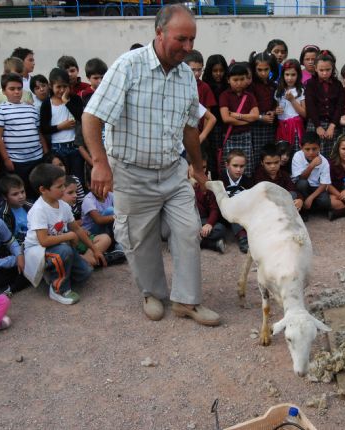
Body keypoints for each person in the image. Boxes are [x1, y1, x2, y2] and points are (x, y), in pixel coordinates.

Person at [83, 4, 220, 326]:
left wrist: (198, 167)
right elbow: (92, 116)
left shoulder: (186, 75)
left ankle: (186, 301)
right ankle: (152, 293)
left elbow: (190, 127)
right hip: (131, 173)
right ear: (159, 33)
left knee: (188, 231)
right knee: (139, 238)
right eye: (181, 39)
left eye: (192, 40)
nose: (188, 48)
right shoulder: (128, 66)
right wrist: (100, 163)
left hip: (173, 171)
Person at [23, 164, 99, 305]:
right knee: (63, 251)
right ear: (43, 190)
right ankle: (58, 289)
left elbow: (77, 229)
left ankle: (55, 273)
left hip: (56, 246)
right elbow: (44, 241)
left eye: (63, 185)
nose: (64, 189)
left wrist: (95, 250)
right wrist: (69, 236)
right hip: (38, 251)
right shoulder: (39, 210)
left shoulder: (63, 205)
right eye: (59, 187)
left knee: (86, 272)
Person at [0, 73, 48, 199]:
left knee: (39, 190)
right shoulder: (1, 110)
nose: (16, 92)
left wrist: (45, 152)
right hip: (17, 161)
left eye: (19, 88)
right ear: (4, 91)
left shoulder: (31, 109)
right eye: (12, 89)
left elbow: (38, 132)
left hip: (37, 158)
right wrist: (6, 159)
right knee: (21, 193)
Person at [39, 68, 86, 185]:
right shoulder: (47, 104)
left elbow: (81, 117)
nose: (61, 90)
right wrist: (60, 127)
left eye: (64, 87)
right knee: (60, 179)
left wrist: (66, 101)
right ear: (51, 86)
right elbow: (44, 128)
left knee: (77, 178)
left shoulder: (74, 99)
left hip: (75, 146)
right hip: (57, 148)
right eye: (58, 87)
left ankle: (78, 200)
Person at [219, 62, 259, 177]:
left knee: (246, 168)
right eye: (235, 80)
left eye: (242, 79)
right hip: (230, 136)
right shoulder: (224, 95)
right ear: (228, 80)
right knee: (230, 168)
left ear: (247, 79)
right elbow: (226, 118)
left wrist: (238, 116)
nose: (239, 83)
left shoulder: (250, 96)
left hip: (245, 136)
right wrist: (247, 119)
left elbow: (255, 116)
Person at [305, 51, 344, 158]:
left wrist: (332, 125)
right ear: (316, 69)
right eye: (321, 70)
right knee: (314, 154)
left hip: (333, 124)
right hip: (315, 123)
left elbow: (339, 106)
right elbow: (310, 105)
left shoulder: (338, 84)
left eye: (328, 70)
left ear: (332, 69)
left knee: (332, 155)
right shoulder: (310, 84)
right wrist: (318, 126)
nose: (325, 73)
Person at [190, 153, 225, 253]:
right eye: (197, 167)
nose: (200, 171)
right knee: (170, 231)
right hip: (187, 221)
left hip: (203, 220)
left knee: (220, 229)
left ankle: (186, 242)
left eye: (204, 167)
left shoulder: (209, 184)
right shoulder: (182, 183)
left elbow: (214, 209)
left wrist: (209, 224)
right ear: (188, 166)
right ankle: (211, 245)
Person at [291, 132, 331, 218]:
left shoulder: (324, 161)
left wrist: (311, 198)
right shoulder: (297, 156)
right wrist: (312, 165)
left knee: (325, 201)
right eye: (307, 149)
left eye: (314, 149)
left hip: (316, 188)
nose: (311, 152)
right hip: (302, 187)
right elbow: (301, 177)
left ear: (319, 148)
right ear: (301, 148)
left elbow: (324, 184)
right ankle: (304, 210)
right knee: (302, 183)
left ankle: (311, 207)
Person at [248, 51, 277, 165]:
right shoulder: (251, 86)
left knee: (270, 156)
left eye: (266, 69)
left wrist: (274, 112)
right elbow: (248, 107)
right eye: (259, 70)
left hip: (271, 125)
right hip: (255, 126)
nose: (263, 73)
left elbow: (277, 103)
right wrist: (261, 117)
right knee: (257, 156)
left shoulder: (273, 85)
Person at [220, 149, 252, 253]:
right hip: (223, 215)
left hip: (243, 214)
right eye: (235, 166)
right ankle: (243, 238)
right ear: (227, 165)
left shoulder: (248, 182)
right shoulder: (220, 180)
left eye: (242, 166)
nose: (239, 169)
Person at [254, 143, 302, 211]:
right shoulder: (258, 175)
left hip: (281, 203)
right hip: (265, 206)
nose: (273, 166)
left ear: (280, 160)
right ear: (262, 163)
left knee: (293, 194)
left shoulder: (284, 174)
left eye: (276, 162)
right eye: (268, 163)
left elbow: (293, 189)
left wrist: (300, 200)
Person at [274, 59, 305, 153]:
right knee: (282, 154)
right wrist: (276, 111)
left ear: (298, 75)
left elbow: (304, 113)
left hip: (295, 127)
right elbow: (276, 108)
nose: (290, 78)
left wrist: (292, 100)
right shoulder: (278, 90)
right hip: (281, 127)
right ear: (283, 75)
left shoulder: (300, 90)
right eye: (287, 74)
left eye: (293, 75)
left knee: (295, 152)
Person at [0, 174, 31, 247]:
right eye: (15, 194)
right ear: (4, 196)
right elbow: (7, 242)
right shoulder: (2, 215)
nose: (21, 196)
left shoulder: (30, 206)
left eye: (22, 192)